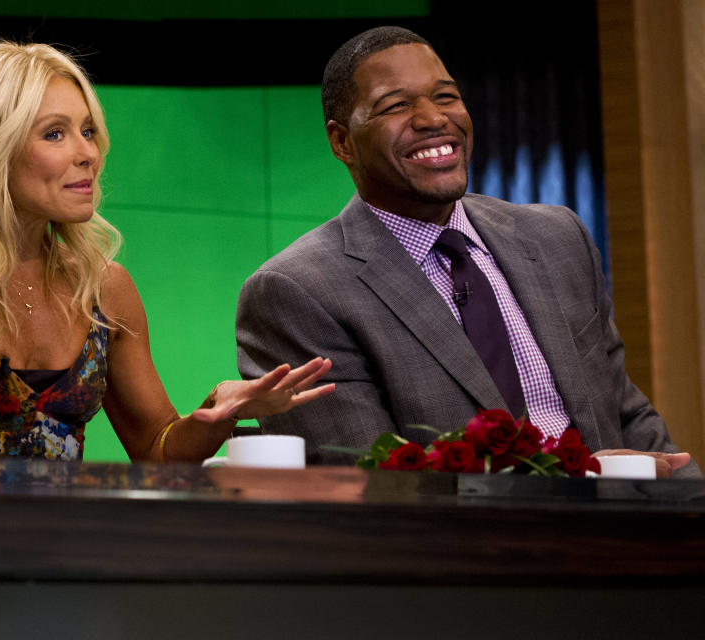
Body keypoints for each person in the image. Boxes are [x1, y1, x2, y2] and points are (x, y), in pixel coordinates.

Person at [0, 41, 334, 486]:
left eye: (88, 130)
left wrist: (215, 412)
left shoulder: (105, 290)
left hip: (58, 558)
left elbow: (156, 452)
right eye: (55, 133)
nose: (88, 153)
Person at [235, 26, 699, 479]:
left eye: (446, 96)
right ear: (342, 142)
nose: (433, 118)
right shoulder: (297, 292)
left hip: (620, 540)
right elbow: (370, 486)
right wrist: (585, 482)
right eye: (396, 105)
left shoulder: (558, 238)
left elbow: (626, 413)